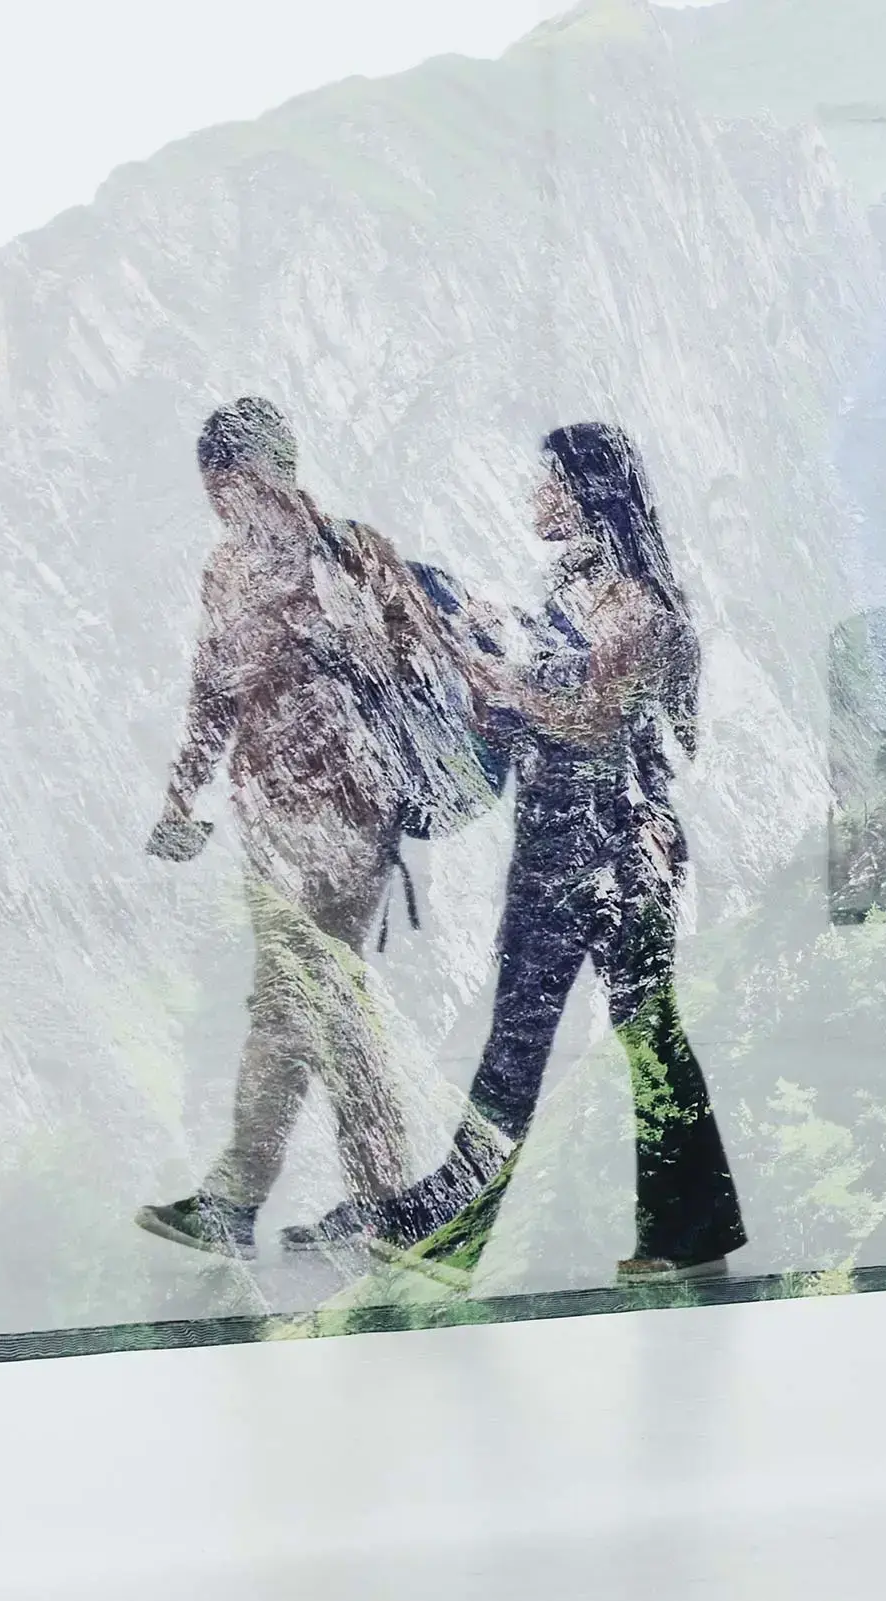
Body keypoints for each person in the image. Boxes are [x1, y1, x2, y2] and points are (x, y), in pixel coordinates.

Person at [331, 421, 747, 1288]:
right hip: (557, 841)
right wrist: (463, 645)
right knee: (522, 1038)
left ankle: (688, 1228)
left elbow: (582, 717)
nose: (534, 495)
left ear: (589, 496)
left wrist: (485, 667)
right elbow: (524, 716)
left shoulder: (638, 610)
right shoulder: (570, 597)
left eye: (550, 481)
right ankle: (460, 1218)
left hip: (621, 856)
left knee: (645, 1038)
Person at [135, 398, 445, 1259]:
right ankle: (375, 1200)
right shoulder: (235, 568)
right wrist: (182, 793)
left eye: (228, 484)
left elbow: (418, 667)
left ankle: (283, 1202)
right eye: (213, 490)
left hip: (342, 820)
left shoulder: (344, 555)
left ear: (265, 471)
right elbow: (213, 689)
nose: (221, 503)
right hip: (282, 820)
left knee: (304, 1001)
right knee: (303, 1002)